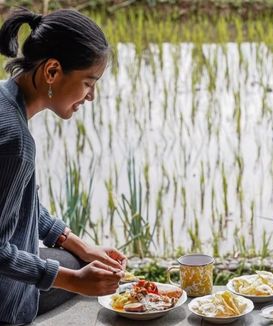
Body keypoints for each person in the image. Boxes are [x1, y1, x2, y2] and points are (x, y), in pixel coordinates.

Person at [0, 8, 127, 325]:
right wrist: (73, 280)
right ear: (52, 71)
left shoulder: (5, 101)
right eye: (88, 82)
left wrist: (81, 246)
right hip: (4, 304)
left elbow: (21, 204)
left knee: (74, 260)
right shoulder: (16, 143)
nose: (91, 96)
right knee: (82, 278)